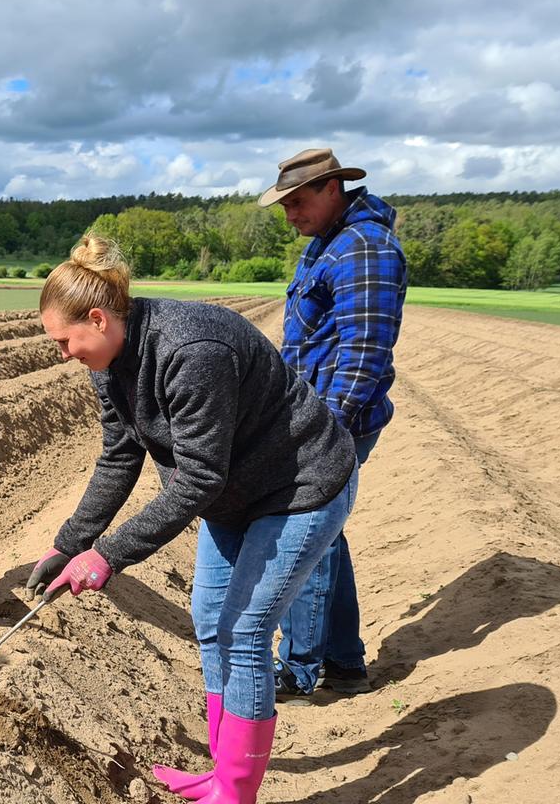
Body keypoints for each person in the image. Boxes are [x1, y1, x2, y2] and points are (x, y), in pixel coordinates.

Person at [24, 234, 358, 803]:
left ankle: (236, 792)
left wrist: (106, 556)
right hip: (234, 496)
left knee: (244, 629)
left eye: (65, 341)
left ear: (99, 319)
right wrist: (68, 543)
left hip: (298, 486)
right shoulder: (108, 366)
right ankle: (223, 771)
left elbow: (200, 478)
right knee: (210, 621)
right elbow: (120, 454)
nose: (64, 353)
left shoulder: (191, 350)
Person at [259, 148, 407, 698]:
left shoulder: (363, 248)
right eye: (284, 206)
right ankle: (344, 663)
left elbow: (365, 351)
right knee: (326, 535)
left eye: (297, 202)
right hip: (313, 412)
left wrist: (330, 431)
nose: (290, 214)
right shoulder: (331, 242)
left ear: (332, 190)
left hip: (335, 419)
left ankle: (300, 669)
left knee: (305, 533)